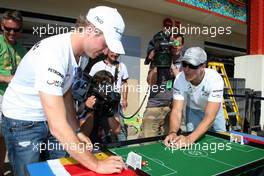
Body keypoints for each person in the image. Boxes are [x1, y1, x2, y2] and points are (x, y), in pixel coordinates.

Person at [1, 6, 126, 176]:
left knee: (59, 169)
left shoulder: (81, 56)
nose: (106, 51)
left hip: (48, 118)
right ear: (90, 30)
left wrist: (77, 131)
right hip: (22, 121)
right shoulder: (54, 53)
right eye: (106, 44)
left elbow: (65, 92)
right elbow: (58, 126)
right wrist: (96, 164)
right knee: (29, 173)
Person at [164, 47, 226, 148]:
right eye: (184, 64)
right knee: (194, 144)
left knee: (220, 142)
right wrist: (172, 132)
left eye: (192, 65)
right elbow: (176, 110)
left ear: (203, 66)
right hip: (193, 110)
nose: (187, 69)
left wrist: (189, 139)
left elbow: (210, 117)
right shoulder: (180, 79)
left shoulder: (215, 79)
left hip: (213, 112)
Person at [139, 32, 184, 138]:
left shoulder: (184, 62)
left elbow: (183, 83)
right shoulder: (159, 56)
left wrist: (172, 66)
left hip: (172, 108)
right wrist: (156, 65)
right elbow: (150, 83)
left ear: (182, 45)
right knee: (147, 141)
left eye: (177, 43)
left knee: (169, 141)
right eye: (171, 42)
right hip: (154, 107)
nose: (174, 45)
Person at [0, 10, 27, 175]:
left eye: (15, 29)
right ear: (1, 26)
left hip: (14, 100)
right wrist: (7, 78)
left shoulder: (22, 50)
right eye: (7, 28)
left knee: (6, 138)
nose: (11, 32)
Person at [88, 50, 129, 143]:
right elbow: (90, 83)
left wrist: (125, 99)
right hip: (99, 103)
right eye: (113, 52)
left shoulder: (122, 66)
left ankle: (123, 149)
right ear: (107, 51)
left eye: (117, 53)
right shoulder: (97, 65)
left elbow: (125, 83)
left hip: (115, 103)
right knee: (100, 128)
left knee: (120, 129)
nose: (115, 54)